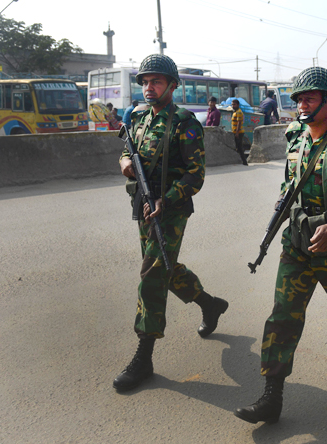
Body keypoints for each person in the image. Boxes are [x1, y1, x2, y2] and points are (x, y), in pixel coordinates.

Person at [235, 66, 327, 424]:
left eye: (310, 97)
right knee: (283, 315)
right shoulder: (294, 136)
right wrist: (283, 201)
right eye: (299, 98)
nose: (302, 104)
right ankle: (272, 395)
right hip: (298, 243)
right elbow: (291, 181)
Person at [114, 54, 229, 392]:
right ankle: (210, 304)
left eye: (157, 82)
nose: (150, 88)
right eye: (146, 82)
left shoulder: (184, 123)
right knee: (165, 266)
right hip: (142, 204)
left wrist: (168, 199)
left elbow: (197, 175)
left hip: (171, 208)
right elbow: (126, 149)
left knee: (151, 274)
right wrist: (124, 163)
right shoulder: (137, 117)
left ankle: (144, 355)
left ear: (172, 85)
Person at [231, 99, 248, 165]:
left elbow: (239, 123)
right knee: (238, 147)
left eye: (234, 104)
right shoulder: (235, 112)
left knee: (240, 147)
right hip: (235, 131)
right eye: (232, 104)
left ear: (237, 104)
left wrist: (237, 133)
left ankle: (244, 162)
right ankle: (241, 161)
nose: (233, 106)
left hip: (239, 132)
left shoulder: (239, 112)